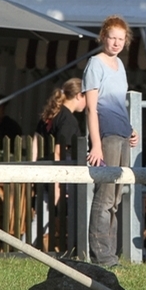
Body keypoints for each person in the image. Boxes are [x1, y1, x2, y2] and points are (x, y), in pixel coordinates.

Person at [82, 15, 139, 268]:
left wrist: (130, 129)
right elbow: (91, 109)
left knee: (116, 198)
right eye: (112, 37)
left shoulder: (120, 65)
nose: (116, 43)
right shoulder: (96, 64)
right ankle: (101, 255)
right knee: (105, 196)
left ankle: (111, 255)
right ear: (102, 37)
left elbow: (119, 103)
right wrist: (95, 144)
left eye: (121, 39)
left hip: (122, 134)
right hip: (106, 136)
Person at [31, 78, 87, 249]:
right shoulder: (68, 120)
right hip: (62, 172)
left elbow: (35, 140)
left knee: (43, 213)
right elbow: (58, 152)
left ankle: (27, 246)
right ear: (79, 95)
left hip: (45, 168)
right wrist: (57, 183)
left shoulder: (52, 114)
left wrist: (32, 168)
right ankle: (72, 248)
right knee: (68, 213)